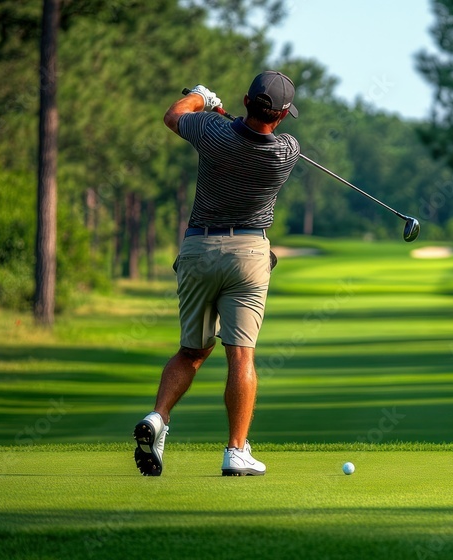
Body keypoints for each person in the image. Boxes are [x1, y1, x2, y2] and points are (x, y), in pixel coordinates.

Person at [133, 71, 300, 476]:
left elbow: (173, 116)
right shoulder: (288, 151)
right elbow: (261, 134)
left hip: (199, 249)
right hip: (249, 253)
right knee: (240, 354)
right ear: (280, 116)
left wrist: (199, 97)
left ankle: (158, 418)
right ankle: (235, 451)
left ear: (245, 100)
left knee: (192, 351)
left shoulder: (212, 133)